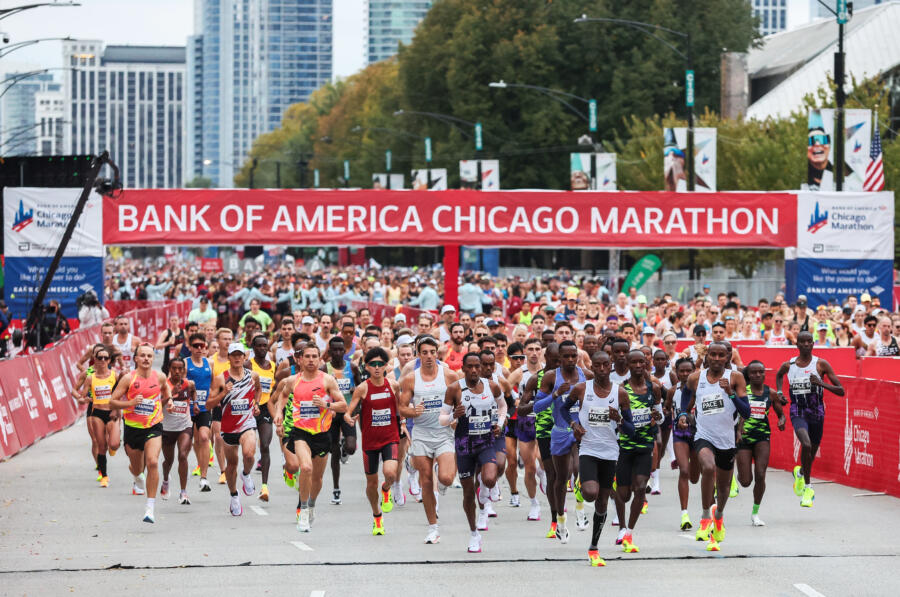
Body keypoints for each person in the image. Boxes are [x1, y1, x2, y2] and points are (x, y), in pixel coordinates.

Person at [563, 351, 632, 567]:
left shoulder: (620, 394)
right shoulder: (582, 389)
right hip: (588, 449)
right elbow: (564, 410)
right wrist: (574, 425)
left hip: (610, 452)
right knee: (590, 494)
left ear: (610, 366)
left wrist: (619, 419)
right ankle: (581, 485)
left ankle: (594, 547)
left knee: (602, 501)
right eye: (598, 365)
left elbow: (631, 430)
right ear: (592, 366)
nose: (601, 369)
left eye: (605, 365)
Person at [680, 342, 750, 551]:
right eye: (713, 355)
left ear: (728, 356)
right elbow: (685, 394)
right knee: (708, 468)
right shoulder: (696, 378)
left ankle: (718, 516)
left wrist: (730, 393)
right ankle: (704, 517)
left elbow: (746, 412)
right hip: (703, 435)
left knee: (724, 485)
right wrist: (684, 413)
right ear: (707, 356)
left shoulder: (735, 378)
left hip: (726, 440)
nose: (717, 358)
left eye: (721, 355)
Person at [270, 344, 347, 532]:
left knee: (318, 478)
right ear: (301, 359)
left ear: (320, 359)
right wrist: (279, 413)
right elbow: (282, 396)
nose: (311, 360)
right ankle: (303, 511)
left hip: (322, 432)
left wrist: (326, 404)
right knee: (305, 468)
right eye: (308, 356)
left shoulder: (328, 380)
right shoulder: (292, 380)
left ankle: (311, 505)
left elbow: (343, 405)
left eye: (315, 356)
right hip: (301, 431)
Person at [440, 353, 506, 553]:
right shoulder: (454, 389)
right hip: (464, 446)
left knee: (490, 478)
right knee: (468, 494)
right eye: (471, 366)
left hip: (486, 442)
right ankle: (473, 533)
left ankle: (485, 493)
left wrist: (499, 424)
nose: (475, 370)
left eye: (478, 366)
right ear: (464, 368)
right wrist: (453, 415)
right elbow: (441, 419)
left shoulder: (491, 386)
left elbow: (502, 406)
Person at [397, 336, 459, 544]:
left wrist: (456, 417)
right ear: (418, 354)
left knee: (447, 478)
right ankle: (433, 528)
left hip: (443, 433)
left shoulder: (449, 375)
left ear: (437, 353)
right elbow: (402, 407)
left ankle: (440, 482)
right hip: (422, 434)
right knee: (425, 480)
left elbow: (461, 400)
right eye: (424, 353)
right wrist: (412, 412)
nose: (429, 356)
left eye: (432, 352)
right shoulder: (411, 379)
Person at [775, 331, 845, 507]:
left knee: (811, 454)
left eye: (809, 342)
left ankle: (799, 474)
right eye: (802, 342)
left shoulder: (821, 364)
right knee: (805, 445)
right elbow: (778, 375)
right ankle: (808, 487)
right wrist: (779, 392)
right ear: (797, 345)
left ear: (813, 344)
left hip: (817, 412)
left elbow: (841, 390)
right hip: (797, 410)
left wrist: (821, 383)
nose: (806, 345)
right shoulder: (789, 365)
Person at [534, 340, 591, 543]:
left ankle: (580, 508)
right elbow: (536, 408)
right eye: (565, 356)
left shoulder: (586, 376)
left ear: (578, 356)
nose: (569, 359)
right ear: (559, 358)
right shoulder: (551, 377)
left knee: (579, 469)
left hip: (580, 430)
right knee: (560, 477)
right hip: (559, 431)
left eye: (573, 356)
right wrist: (555, 394)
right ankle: (560, 520)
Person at [108, 343, 171, 523]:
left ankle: (150, 508)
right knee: (137, 468)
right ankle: (136, 476)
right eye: (142, 355)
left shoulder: (159, 377)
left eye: (149, 356)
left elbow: (166, 390)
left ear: (153, 358)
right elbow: (112, 402)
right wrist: (131, 403)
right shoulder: (128, 378)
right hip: (133, 428)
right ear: (136, 358)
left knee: (152, 462)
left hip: (153, 426)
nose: (146, 359)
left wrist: (171, 401)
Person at [343, 347, 402, 536]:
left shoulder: (393, 386)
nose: (377, 368)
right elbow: (349, 410)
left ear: (386, 366)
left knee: (390, 473)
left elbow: (400, 407)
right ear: (367, 367)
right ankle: (377, 517)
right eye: (373, 364)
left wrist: (404, 423)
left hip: (390, 437)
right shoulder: (363, 388)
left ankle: (387, 489)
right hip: (370, 442)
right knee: (371, 483)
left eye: (380, 364)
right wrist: (348, 418)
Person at [612, 349, 662, 553]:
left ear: (647, 363)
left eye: (642, 362)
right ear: (629, 365)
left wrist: (656, 418)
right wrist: (619, 421)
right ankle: (621, 526)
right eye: (634, 362)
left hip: (645, 446)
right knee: (623, 495)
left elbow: (661, 415)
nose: (639, 366)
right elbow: (615, 419)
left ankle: (629, 532)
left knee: (640, 487)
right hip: (625, 446)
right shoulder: (621, 390)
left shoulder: (655, 388)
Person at [207, 342, 261, 516]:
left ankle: (246, 474)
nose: (237, 358)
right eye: (234, 355)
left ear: (244, 357)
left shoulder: (253, 376)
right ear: (229, 358)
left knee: (249, 455)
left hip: (247, 423)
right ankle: (234, 495)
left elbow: (258, 390)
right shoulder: (221, 378)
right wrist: (224, 393)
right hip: (228, 427)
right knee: (232, 464)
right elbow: (209, 403)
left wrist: (256, 403)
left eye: (240, 355)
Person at [736, 360, 785, 526]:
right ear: (748, 375)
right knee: (745, 481)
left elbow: (781, 413)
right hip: (744, 438)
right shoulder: (743, 391)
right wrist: (738, 429)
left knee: (761, 474)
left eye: (761, 372)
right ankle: (739, 475)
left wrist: (782, 420)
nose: (757, 375)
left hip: (762, 437)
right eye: (754, 372)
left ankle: (755, 513)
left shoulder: (770, 393)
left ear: (764, 374)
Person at [508, 337, 544, 521]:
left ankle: (545, 475)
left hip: (544, 419)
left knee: (545, 460)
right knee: (529, 467)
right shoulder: (519, 372)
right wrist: (514, 399)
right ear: (525, 351)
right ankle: (534, 503)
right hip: (525, 421)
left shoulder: (549, 371)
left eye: (537, 348)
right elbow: (503, 387)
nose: (534, 352)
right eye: (530, 349)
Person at [322, 335, 360, 505]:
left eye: (340, 350)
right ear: (329, 352)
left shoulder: (352, 368)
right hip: (331, 413)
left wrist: (354, 394)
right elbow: (320, 391)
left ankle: (346, 448)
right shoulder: (324, 369)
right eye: (334, 350)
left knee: (351, 448)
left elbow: (360, 391)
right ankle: (336, 489)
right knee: (334, 451)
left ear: (345, 352)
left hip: (347, 412)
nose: (337, 353)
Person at [75, 345, 120, 488]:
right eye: (99, 358)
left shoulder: (115, 375)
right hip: (97, 413)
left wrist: (118, 408)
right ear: (95, 360)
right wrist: (84, 399)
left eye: (105, 358)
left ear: (109, 360)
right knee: (101, 445)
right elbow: (81, 397)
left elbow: (122, 392)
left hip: (111, 412)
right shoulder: (90, 378)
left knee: (113, 444)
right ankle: (104, 476)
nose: (102, 360)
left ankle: (113, 448)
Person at [666, 357, 698, 531]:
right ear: (676, 373)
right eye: (682, 371)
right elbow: (667, 406)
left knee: (694, 477)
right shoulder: (672, 391)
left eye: (689, 371)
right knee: (684, 471)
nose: (685, 374)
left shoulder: (701, 389)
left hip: (698, 434)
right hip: (679, 435)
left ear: (694, 371)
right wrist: (663, 411)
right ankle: (684, 513)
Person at [160, 357, 196, 505]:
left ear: (184, 370)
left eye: (180, 369)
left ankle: (183, 492)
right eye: (174, 368)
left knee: (182, 455)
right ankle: (166, 479)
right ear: (169, 368)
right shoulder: (164, 385)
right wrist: (171, 395)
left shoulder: (189, 384)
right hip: (167, 428)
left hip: (184, 426)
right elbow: (157, 404)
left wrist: (195, 404)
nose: (177, 371)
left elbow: (193, 393)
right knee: (169, 460)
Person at [185, 333, 215, 491]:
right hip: (186, 410)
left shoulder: (209, 363)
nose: (199, 349)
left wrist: (215, 399)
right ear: (189, 347)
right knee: (189, 443)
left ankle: (204, 478)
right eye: (195, 346)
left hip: (204, 408)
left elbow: (215, 385)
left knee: (204, 438)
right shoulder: (184, 363)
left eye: (202, 346)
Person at [249, 333, 277, 501]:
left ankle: (264, 487)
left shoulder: (273, 365)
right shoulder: (248, 364)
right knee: (250, 450)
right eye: (259, 346)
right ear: (253, 348)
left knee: (265, 445)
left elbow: (276, 389)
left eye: (264, 346)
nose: (262, 348)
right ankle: (247, 474)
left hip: (266, 409)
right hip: (250, 409)